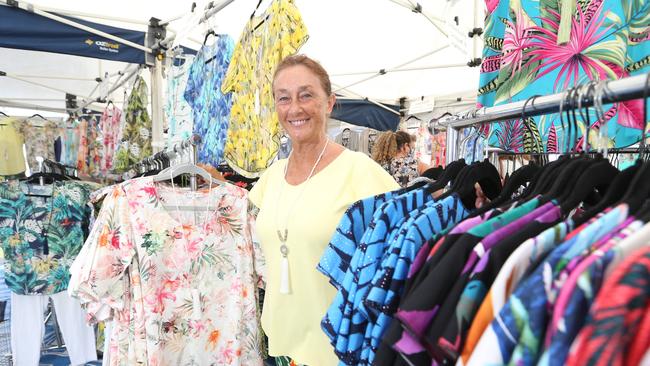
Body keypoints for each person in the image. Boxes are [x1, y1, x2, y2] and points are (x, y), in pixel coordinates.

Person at [248, 55, 399, 366]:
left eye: (306, 95)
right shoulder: (270, 178)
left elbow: (396, 265)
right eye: (284, 98)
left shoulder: (362, 173)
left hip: (336, 351)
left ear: (329, 102)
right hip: (280, 345)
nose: (295, 108)